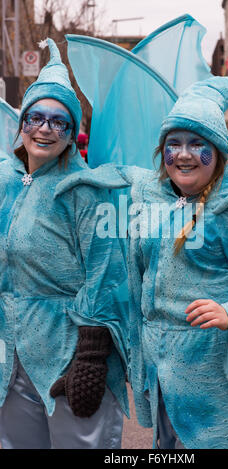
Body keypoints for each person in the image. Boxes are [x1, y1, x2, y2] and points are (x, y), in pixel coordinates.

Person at [99, 63, 228, 449]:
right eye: (174, 143)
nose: (184, 155)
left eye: (198, 144)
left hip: (223, 384)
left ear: (220, 151)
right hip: (164, 381)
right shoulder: (151, 196)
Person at [0, 38, 129, 449]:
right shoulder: (3, 181)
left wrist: (90, 356)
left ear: (73, 134)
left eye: (60, 122)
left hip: (69, 355)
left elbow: (108, 273)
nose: (45, 128)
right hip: (9, 352)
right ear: (22, 122)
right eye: (36, 116)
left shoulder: (89, 190)